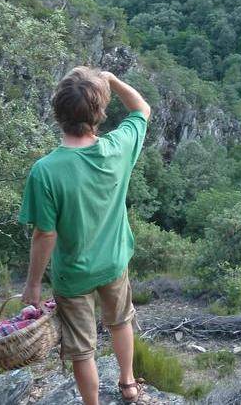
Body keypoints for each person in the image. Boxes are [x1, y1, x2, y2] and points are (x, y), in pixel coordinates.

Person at [19, 66, 151, 404]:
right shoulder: (118, 148)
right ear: (100, 113)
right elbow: (141, 109)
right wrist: (113, 80)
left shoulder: (45, 171)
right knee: (120, 321)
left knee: (82, 350)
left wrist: (33, 285)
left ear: (57, 113)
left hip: (73, 274)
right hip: (114, 260)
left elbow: (44, 235)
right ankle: (128, 384)